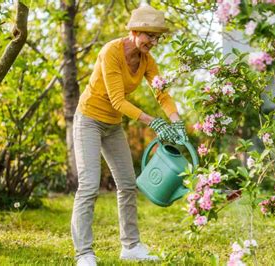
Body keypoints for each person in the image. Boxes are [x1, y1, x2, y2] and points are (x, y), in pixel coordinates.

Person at [71, 4, 188, 266]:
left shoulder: (147, 61)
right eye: (150, 35)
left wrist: (177, 121)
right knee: (89, 185)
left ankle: (131, 246)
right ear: (135, 31)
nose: (154, 42)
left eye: (157, 37)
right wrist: (153, 121)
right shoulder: (111, 51)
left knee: (127, 184)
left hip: (113, 126)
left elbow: (162, 94)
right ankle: (84, 254)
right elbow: (116, 100)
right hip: (88, 120)